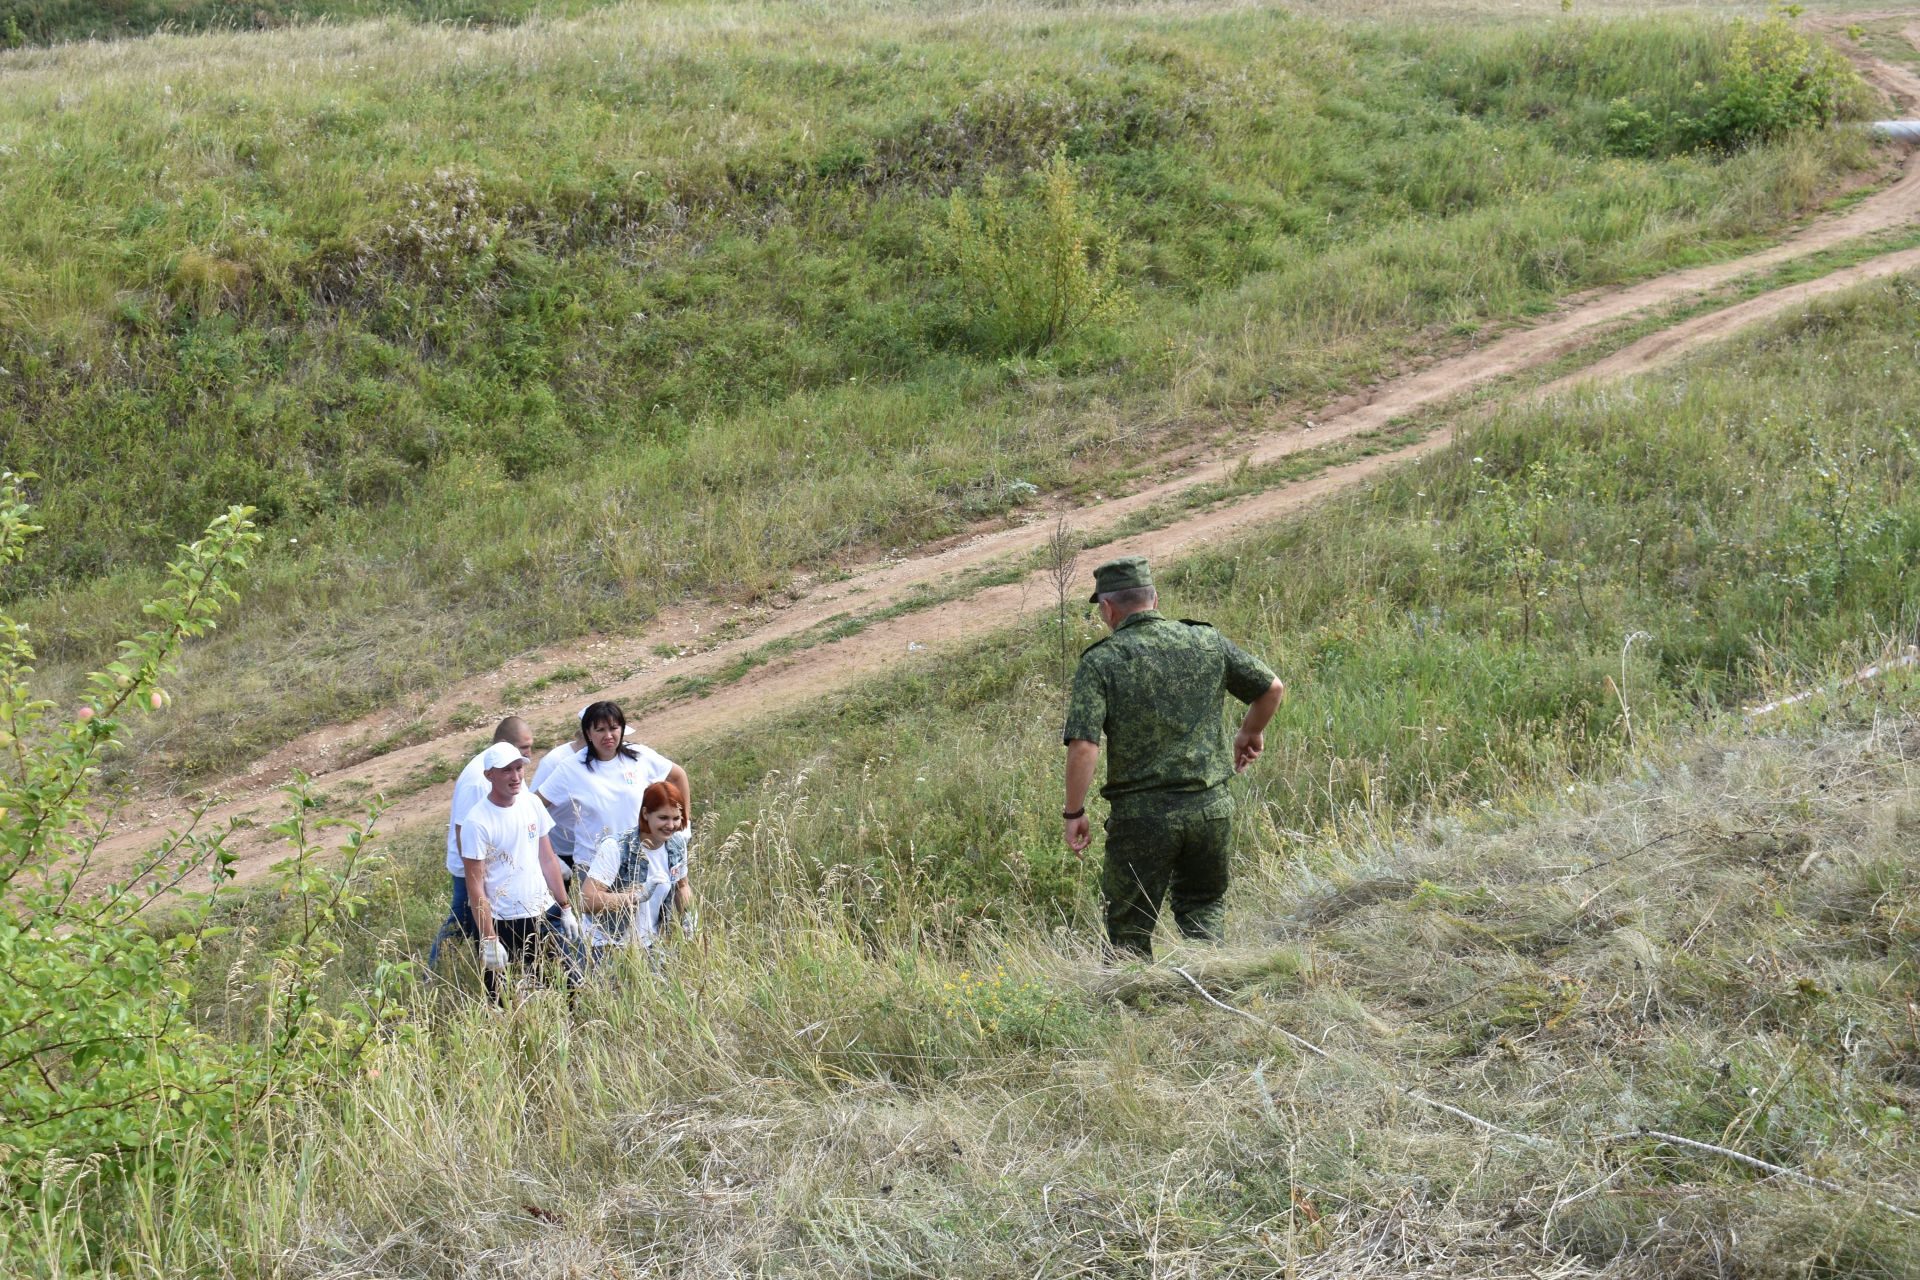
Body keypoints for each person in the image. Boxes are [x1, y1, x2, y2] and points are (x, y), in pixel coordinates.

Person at [1060, 556, 1285, 958]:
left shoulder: (1102, 661)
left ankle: (1135, 1009)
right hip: (1211, 808)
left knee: (1128, 927)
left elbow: (1084, 747)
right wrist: (1249, 732)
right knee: (1203, 910)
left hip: (1142, 818)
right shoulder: (1205, 641)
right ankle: (1213, 986)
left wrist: (1073, 813)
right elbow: (1271, 687)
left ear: (1108, 608)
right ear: (1155, 598)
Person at [460, 741, 584, 1004]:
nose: (515, 777)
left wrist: (565, 907)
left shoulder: (531, 804)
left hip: (542, 912)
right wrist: (489, 938)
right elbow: (475, 885)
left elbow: (548, 859)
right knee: (501, 1000)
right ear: (489, 775)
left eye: (519, 768)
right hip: (504, 919)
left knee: (569, 988)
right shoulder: (477, 821)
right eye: (507, 770)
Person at [536, 700, 689, 870]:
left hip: (639, 860)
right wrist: (549, 856)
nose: (608, 736)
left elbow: (677, 776)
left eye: (613, 728)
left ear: (622, 729)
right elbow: (534, 805)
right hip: (593, 866)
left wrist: (683, 826)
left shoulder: (640, 756)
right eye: (600, 730)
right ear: (588, 733)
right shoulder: (570, 768)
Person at [430, 716, 533, 969]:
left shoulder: (510, 768)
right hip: (474, 868)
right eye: (524, 747)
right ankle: (434, 973)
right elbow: (462, 829)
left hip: (500, 865)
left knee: (473, 921)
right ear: (503, 745)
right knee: (462, 920)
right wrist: (480, 877)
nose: (529, 754)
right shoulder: (480, 778)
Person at [577, 779, 685, 963]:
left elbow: (682, 887)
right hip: (608, 945)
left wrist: (687, 916)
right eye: (663, 818)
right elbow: (587, 901)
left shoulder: (677, 844)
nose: (671, 825)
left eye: (676, 818)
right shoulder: (616, 847)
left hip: (651, 945)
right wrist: (636, 896)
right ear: (645, 814)